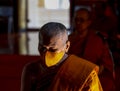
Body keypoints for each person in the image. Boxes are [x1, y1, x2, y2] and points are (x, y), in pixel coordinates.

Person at [21, 22, 103, 91]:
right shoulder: (31, 69)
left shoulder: (85, 74)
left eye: (52, 50)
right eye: (42, 48)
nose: (46, 54)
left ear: (66, 46)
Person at [68, 8, 115, 91]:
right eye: (76, 20)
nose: (78, 23)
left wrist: (96, 71)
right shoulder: (68, 40)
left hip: (94, 75)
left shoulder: (97, 40)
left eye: (81, 20)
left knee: (107, 83)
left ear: (89, 22)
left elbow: (106, 64)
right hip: (73, 76)